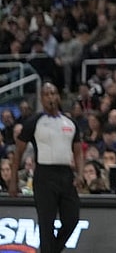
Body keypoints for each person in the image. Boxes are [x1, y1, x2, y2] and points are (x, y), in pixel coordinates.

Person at [9, 82, 84, 253]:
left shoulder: (70, 122)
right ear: (41, 99)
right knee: (46, 224)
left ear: (58, 96)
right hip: (44, 175)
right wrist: (13, 181)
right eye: (47, 94)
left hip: (66, 175)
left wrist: (79, 174)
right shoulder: (34, 122)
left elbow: (78, 152)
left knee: (72, 219)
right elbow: (18, 152)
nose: (51, 97)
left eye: (53, 93)